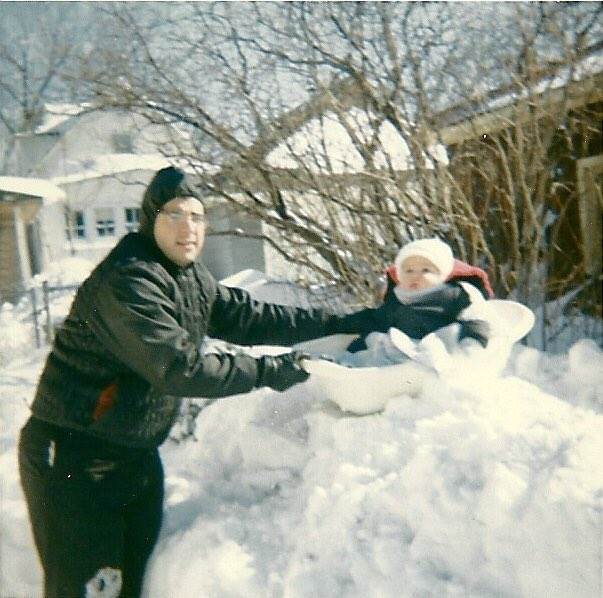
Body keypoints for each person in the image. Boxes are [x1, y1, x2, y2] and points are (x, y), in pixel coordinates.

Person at [19, 166, 449, 598]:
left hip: (134, 455)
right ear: (150, 219)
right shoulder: (130, 281)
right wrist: (281, 369)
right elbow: (179, 369)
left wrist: (350, 323)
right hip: (74, 456)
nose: (189, 227)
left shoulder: (187, 278)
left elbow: (252, 318)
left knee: (129, 586)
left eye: (197, 216)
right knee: (90, 590)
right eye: (174, 214)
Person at [347, 237, 494, 353]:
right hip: (400, 360)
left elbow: (476, 317)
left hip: (441, 358)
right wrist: (329, 323)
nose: (415, 276)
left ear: (441, 274)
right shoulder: (397, 302)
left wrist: (473, 343)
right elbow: (368, 319)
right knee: (371, 340)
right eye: (408, 271)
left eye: (425, 270)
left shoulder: (454, 295)